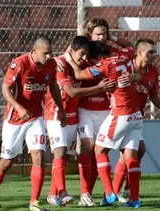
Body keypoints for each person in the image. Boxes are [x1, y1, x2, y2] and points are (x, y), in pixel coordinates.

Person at [0, 36, 67, 211]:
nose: (48, 57)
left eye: (51, 53)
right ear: (35, 50)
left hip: (36, 117)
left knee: (39, 157)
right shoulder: (19, 63)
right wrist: (18, 107)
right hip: (14, 119)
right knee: (7, 161)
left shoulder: (51, 65)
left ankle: (34, 202)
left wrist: (62, 109)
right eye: (45, 53)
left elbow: (53, 87)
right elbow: (5, 89)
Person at [64, 41, 143, 208]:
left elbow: (78, 75)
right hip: (136, 115)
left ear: (100, 57)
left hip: (120, 114)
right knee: (130, 156)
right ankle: (134, 199)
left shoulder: (106, 64)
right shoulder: (126, 57)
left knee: (99, 150)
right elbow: (131, 49)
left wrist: (68, 58)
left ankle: (109, 193)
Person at [44, 35, 116, 207]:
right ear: (72, 51)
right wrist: (99, 88)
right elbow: (71, 92)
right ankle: (63, 192)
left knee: (69, 155)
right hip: (56, 114)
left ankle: (53, 194)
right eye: (81, 54)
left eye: (86, 55)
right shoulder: (61, 65)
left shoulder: (83, 64)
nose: (84, 58)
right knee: (61, 152)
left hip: (73, 116)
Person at [76, 18, 134, 206]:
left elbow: (130, 47)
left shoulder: (113, 53)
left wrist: (113, 37)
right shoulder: (83, 50)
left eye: (104, 34)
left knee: (101, 151)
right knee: (88, 147)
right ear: (89, 35)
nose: (101, 38)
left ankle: (107, 193)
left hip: (108, 109)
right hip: (86, 107)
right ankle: (86, 193)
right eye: (98, 34)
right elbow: (70, 61)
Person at [113, 38, 160, 203]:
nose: (153, 55)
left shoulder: (153, 71)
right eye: (150, 52)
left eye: (154, 52)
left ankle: (120, 191)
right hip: (121, 115)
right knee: (132, 152)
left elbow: (152, 94)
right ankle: (118, 192)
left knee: (134, 153)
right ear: (139, 53)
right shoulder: (126, 67)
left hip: (136, 118)